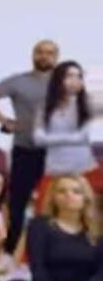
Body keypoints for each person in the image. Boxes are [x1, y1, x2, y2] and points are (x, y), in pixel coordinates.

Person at [0, 40, 59, 253]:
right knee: (17, 203)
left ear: (56, 57)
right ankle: (11, 250)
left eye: (49, 53)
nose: (44, 56)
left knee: (56, 200)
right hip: (25, 150)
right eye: (40, 52)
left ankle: (54, 248)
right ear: (33, 55)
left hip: (57, 151)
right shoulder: (19, 82)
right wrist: (5, 121)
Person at [3, 176, 103, 281]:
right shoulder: (39, 225)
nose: (69, 195)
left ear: (85, 198)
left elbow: (101, 272)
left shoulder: (97, 228)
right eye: (62, 191)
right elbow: (37, 268)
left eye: (76, 191)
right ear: (53, 197)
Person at [33, 61, 98, 201]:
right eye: (70, 76)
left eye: (79, 76)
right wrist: (74, 138)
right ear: (58, 79)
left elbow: (83, 136)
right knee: (46, 210)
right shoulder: (45, 107)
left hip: (85, 169)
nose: (75, 80)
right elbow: (38, 139)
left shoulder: (88, 103)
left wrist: (51, 138)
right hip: (54, 170)